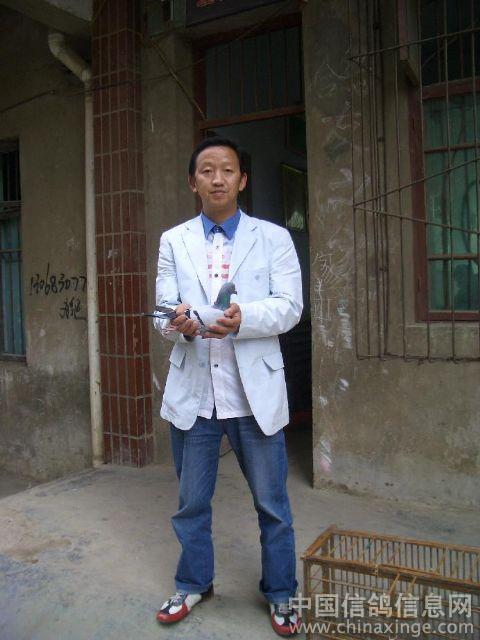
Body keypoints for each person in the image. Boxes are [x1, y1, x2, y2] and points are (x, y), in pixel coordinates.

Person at [153, 136, 303, 636]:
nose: (217, 178)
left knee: (272, 505)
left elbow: (290, 306)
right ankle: (194, 583)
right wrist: (178, 322)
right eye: (207, 170)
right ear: (192, 182)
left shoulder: (273, 238)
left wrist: (244, 319)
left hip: (252, 395)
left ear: (242, 180)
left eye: (227, 170)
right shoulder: (173, 240)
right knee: (191, 504)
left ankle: (281, 593)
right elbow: (163, 310)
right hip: (194, 394)